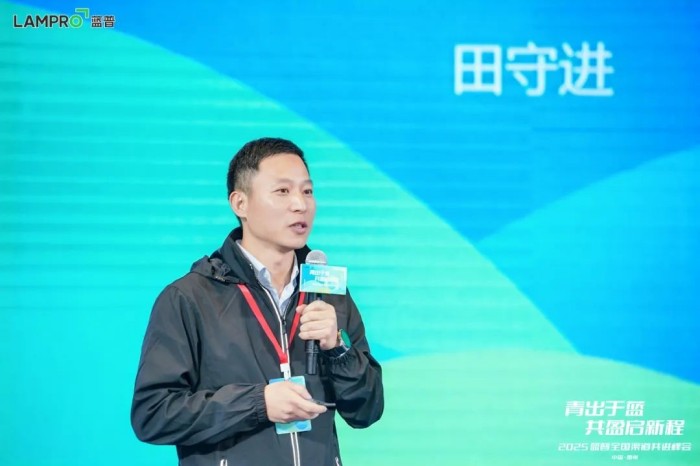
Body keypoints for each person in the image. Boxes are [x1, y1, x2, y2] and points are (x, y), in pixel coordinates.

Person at [131, 137, 384, 466]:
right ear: (240, 203)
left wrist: (338, 350)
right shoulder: (189, 298)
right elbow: (153, 413)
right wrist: (258, 403)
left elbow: (367, 410)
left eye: (307, 191)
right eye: (283, 191)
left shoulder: (328, 293)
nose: (300, 204)